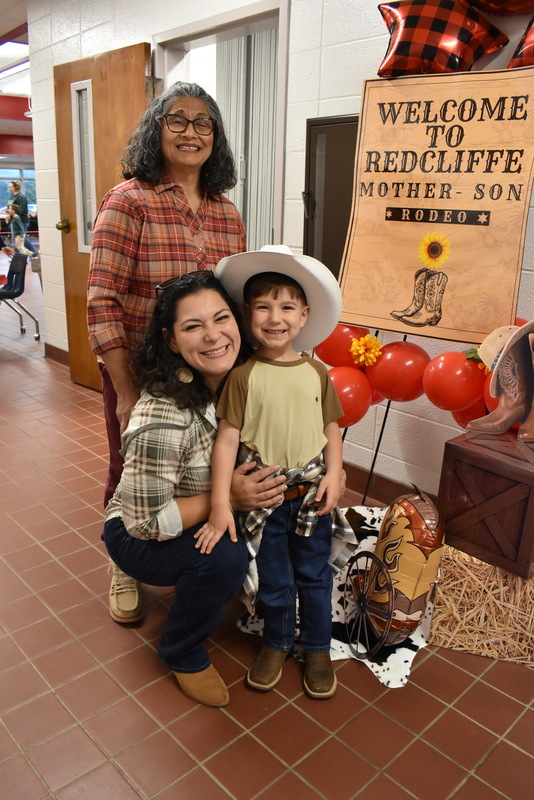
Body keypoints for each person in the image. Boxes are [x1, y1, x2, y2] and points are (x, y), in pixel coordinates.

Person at [87, 81, 263, 623]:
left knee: (204, 465)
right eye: (177, 121)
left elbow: (234, 300)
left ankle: (213, 553)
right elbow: (102, 301)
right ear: (156, 132)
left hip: (209, 371)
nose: (191, 132)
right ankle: (125, 562)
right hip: (144, 372)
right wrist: (124, 389)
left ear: (216, 137)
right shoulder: (129, 202)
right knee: (131, 470)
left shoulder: (226, 212)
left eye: (203, 123)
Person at [103, 270, 289, 707]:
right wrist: (227, 499)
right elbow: (145, 522)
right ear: (171, 341)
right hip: (136, 532)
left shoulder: (239, 379)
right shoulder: (162, 417)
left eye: (221, 318)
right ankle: (181, 650)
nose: (212, 336)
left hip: (193, 508)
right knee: (224, 557)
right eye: (192, 326)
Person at [197, 246, 355, 699]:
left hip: (310, 498)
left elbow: (332, 428)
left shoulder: (317, 372)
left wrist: (335, 472)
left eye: (286, 307)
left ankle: (318, 647)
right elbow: (227, 440)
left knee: (314, 574)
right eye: (263, 306)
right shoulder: (243, 375)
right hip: (266, 500)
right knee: (274, 576)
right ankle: (277, 640)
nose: (274, 317)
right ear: (247, 314)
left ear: (303, 316)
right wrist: (220, 503)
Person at [7, 181, 39, 257]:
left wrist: (11, 216)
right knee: (18, 239)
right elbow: (9, 207)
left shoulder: (21, 197)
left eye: (10, 187)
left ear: (15, 188)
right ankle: (18, 256)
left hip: (22, 221)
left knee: (21, 238)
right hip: (14, 220)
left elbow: (20, 210)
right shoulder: (12, 197)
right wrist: (9, 215)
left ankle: (34, 253)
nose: (9, 188)